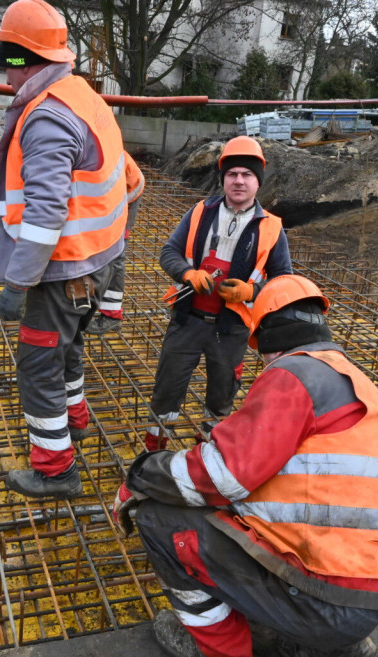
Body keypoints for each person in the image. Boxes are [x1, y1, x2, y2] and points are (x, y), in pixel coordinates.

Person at [112, 274, 378, 657]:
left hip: (323, 602)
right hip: (373, 598)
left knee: (158, 519)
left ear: (266, 339)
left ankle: (226, 656)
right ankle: (332, 645)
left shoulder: (293, 376)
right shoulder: (355, 382)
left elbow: (218, 477)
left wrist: (143, 475)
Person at [0, 0, 128, 498]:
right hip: (100, 264)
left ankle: (55, 469)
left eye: (7, 61)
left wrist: (16, 283)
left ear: (22, 56)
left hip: (61, 274)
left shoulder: (45, 117)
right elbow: (130, 180)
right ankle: (76, 417)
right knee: (68, 349)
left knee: (38, 365)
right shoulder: (84, 96)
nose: (4, 73)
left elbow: (45, 216)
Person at [144, 136, 292, 450]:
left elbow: (284, 283)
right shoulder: (200, 212)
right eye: (232, 174)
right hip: (188, 320)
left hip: (231, 328)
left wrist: (251, 291)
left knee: (222, 391)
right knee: (167, 387)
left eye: (247, 175)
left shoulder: (271, 228)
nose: (239, 180)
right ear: (223, 178)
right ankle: (155, 447)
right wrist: (187, 273)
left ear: (258, 181)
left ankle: (207, 446)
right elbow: (169, 252)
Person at [85, 151, 145, 335]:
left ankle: (111, 316)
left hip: (124, 194)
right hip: (104, 194)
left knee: (114, 255)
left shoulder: (98, 158)